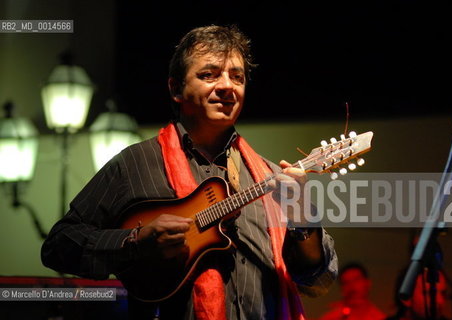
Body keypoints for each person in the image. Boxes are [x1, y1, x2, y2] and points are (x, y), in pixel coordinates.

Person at [41, 25, 338, 320]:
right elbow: (59, 245)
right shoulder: (135, 163)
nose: (227, 86)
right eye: (208, 75)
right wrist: (135, 241)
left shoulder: (270, 177)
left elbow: (319, 281)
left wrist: (301, 215)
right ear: (175, 89)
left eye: (237, 77)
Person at [318, 262, 386, 320]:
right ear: (342, 289)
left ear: (367, 283)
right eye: (346, 283)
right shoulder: (333, 317)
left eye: (356, 280)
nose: (352, 287)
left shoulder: (379, 317)